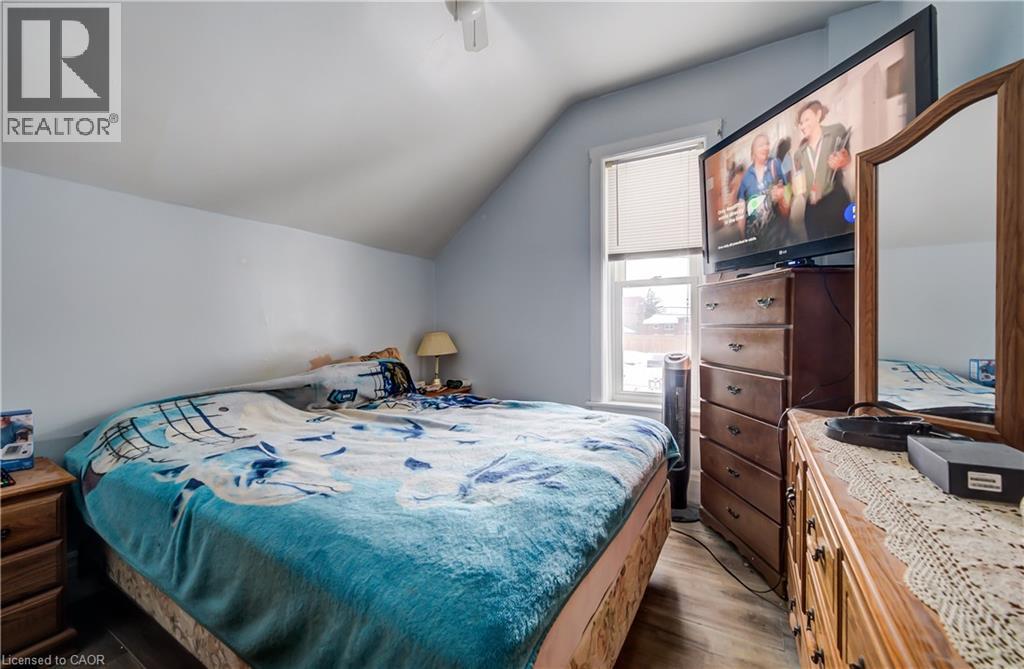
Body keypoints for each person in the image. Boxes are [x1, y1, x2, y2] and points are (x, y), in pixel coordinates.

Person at [792, 101, 852, 241]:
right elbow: (800, 184)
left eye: (806, 120)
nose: (803, 126)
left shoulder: (837, 131)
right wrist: (804, 192)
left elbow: (847, 157)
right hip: (812, 209)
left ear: (818, 115)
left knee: (839, 246)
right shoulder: (798, 154)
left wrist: (842, 160)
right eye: (800, 123)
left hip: (834, 200)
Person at [736, 133, 791, 250]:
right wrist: (742, 242)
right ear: (753, 150)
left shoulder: (775, 164)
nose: (766, 147)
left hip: (776, 235)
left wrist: (781, 197)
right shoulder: (746, 177)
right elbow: (741, 210)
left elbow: (787, 196)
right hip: (754, 239)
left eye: (767, 144)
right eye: (761, 145)